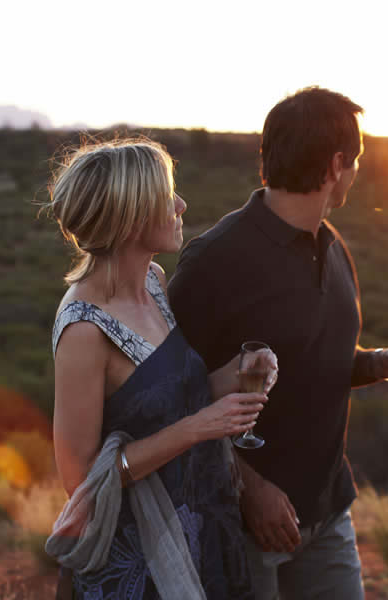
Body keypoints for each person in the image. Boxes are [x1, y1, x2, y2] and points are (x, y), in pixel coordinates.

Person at [168, 86, 388, 599]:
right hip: (243, 529)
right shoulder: (214, 262)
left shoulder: (333, 249)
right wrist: (248, 489)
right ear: (336, 165)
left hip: (329, 516)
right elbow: (173, 399)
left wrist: (380, 364)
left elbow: (317, 360)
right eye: (355, 161)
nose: (357, 172)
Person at [46, 139, 276, 599]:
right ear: (131, 216)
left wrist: (239, 372)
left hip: (202, 521)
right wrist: (197, 429)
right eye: (166, 195)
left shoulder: (154, 281)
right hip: (140, 558)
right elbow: (83, 479)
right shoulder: (84, 329)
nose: (181, 205)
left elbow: (172, 399)